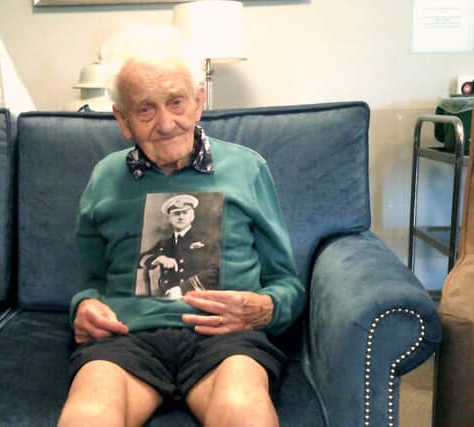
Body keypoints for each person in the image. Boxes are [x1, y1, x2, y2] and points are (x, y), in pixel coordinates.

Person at [57, 26, 306, 427]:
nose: (166, 123)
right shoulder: (104, 177)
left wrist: (264, 309)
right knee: (87, 416)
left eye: (176, 102)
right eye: (144, 109)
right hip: (126, 340)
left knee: (245, 411)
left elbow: (286, 282)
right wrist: (83, 306)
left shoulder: (247, 168)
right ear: (122, 120)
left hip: (226, 341)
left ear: (198, 102)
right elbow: (90, 279)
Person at [138, 194, 219, 299]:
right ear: (169, 219)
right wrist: (158, 258)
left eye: (185, 213)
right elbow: (139, 260)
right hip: (165, 298)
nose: (181, 217)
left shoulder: (206, 240)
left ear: (192, 217)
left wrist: (183, 289)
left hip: (196, 297)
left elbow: (216, 271)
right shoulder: (164, 243)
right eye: (176, 214)